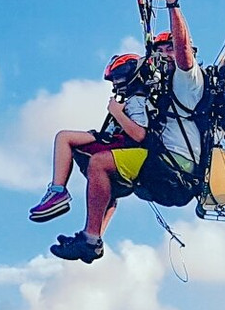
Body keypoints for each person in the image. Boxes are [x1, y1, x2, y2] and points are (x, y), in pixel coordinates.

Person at [49, 0, 203, 264]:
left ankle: (91, 238)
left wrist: (172, 3)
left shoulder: (189, 81)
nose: (165, 55)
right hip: (163, 164)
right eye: (161, 50)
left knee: (101, 163)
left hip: (175, 168)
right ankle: (90, 239)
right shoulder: (161, 89)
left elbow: (183, 54)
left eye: (169, 48)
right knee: (104, 169)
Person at [28, 53, 151, 223]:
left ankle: (58, 191)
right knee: (107, 190)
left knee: (64, 138)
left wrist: (116, 112)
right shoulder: (130, 99)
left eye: (119, 77)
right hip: (113, 141)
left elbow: (139, 135)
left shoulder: (136, 100)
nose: (115, 83)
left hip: (121, 143)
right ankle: (95, 235)